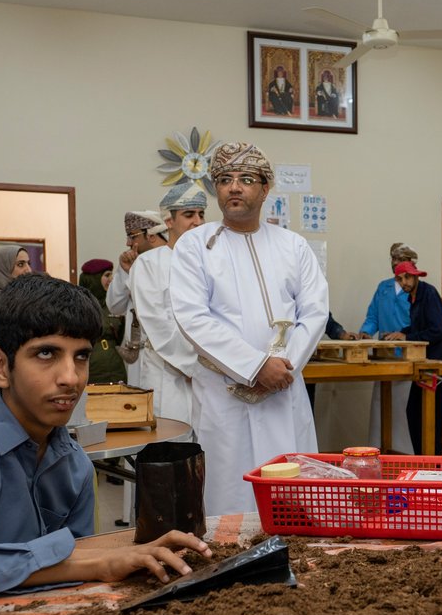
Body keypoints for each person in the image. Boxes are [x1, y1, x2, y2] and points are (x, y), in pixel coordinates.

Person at [0, 275, 208, 591]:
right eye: (46, 353)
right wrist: (92, 564)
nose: (71, 377)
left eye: (81, 356)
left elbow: (76, 575)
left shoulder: (73, 462)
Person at [171, 142, 332, 515]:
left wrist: (282, 367)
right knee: (230, 493)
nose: (234, 188)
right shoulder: (195, 245)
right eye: (225, 180)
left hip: (284, 390)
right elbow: (192, 316)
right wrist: (255, 366)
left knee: (293, 492)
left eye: (245, 179)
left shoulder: (293, 245)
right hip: (223, 392)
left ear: (265, 188)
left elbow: (315, 311)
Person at [128, 182, 209, 424]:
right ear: (169, 221)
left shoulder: (213, 263)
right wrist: (195, 366)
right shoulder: (148, 264)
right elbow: (157, 322)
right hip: (168, 371)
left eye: (201, 214)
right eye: (189, 215)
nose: (197, 221)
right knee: (173, 444)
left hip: (210, 373)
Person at [387, 260, 442, 454]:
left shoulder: (429, 293)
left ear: (416, 275)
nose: (404, 282)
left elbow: (437, 330)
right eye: (400, 279)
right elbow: (420, 327)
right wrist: (401, 332)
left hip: (439, 364)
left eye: (407, 277)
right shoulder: (413, 297)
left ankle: (434, 461)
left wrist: (407, 336)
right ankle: (422, 457)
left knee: (431, 415)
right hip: (426, 364)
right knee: (415, 413)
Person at [111, 211, 163, 390]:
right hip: (136, 356)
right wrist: (124, 271)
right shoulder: (134, 265)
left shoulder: (176, 262)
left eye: (133, 236)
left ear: (152, 235)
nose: (128, 243)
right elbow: (115, 306)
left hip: (165, 358)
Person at [77, 257, 130, 385]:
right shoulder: (80, 306)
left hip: (115, 366)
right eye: (107, 275)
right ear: (94, 279)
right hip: (91, 367)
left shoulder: (114, 305)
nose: (111, 279)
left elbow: (121, 334)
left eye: (111, 275)